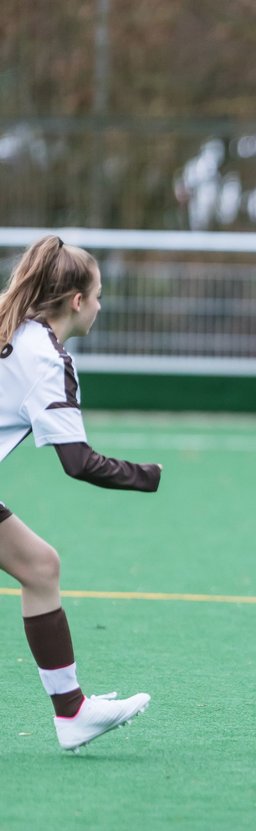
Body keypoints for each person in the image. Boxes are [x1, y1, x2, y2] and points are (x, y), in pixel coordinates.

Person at [0, 236, 162, 751]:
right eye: (97, 295)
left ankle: (71, 712)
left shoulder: (13, 329)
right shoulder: (45, 359)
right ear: (76, 301)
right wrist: (149, 475)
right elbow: (79, 463)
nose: (99, 305)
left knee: (40, 567)